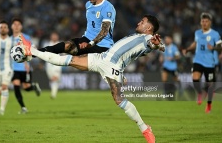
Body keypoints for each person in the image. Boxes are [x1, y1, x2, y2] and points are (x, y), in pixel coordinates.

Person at [20, 15, 164, 143]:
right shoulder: (136, 36)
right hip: (101, 58)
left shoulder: (147, 38)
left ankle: (144, 128)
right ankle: (32, 51)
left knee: (119, 99)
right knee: (69, 60)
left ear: (149, 28)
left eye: (143, 21)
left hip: (112, 67)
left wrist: (158, 45)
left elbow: (154, 44)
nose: (139, 22)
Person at [37, 0, 116, 56]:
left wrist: (90, 44)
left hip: (102, 45)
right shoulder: (88, 4)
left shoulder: (108, 8)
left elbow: (104, 31)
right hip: (86, 39)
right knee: (67, 45)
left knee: (75, 60)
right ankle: (38, 52)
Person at [182, 12, 222, 113]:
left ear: (210, 23)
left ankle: (209, 104)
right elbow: (195, 44)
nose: (204, 23)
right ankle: (200, 93)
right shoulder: (197, 33)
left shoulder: (215, 34)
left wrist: (213, 47)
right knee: (195, 77)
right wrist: (188, 49)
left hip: (210, 62)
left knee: (210, 85)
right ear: (200, 22)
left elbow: (220, 47)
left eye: (206, 21)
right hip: (198, 60)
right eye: (203, 21)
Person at [11, 18, 41, 114]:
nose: (16, 26)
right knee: (16, 85)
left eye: (18, 24)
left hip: (25, 68)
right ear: (11, 26)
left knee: (26, 87)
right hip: (13, 68)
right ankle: (23, 107)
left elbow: (31, 50)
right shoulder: (9, 39)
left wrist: (26, 64)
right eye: (14, 24)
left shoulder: (26, 38)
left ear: (21, 26)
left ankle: (33, 87)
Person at [159, 35, 181, 100]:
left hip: (173, 67)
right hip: (165, 66)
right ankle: (165, 93)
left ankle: (180, 90)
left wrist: (172, 58)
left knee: (176, 80)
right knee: (164, 79)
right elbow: (162, 55)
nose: (166, 40)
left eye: (167, 39)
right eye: (165, 39)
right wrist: (161, 58)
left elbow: (178, 56)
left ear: (171, 40)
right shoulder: (164, 47)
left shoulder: (174, 47)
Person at [42, 32, 62, 99]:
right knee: (52, 79)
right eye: (53, 36)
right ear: (51, 37)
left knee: (55, 78)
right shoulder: (47, 44)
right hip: (49, 65)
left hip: (57, 64)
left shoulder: (61, 44)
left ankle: (53, 94)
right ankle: (53, 93)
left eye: (55, 36)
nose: (54, 37)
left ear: (57, 37)